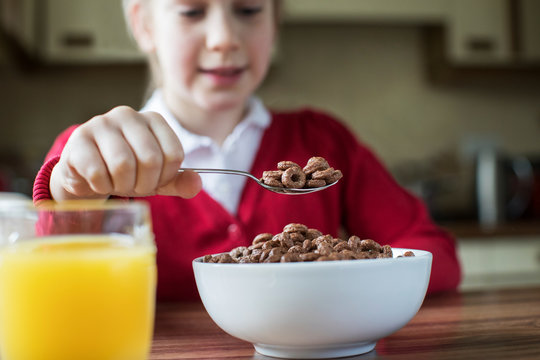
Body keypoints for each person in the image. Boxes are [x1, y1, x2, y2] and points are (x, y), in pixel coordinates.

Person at [33, 0, 461, 300]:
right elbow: (48, 282)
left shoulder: (324, 142)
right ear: (144, 24)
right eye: (192, 11)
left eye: (249, 10)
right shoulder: (98, 156)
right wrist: (72, 189)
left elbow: (431, 250)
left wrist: (345, 280)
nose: (224, 38)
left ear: (275, 21)